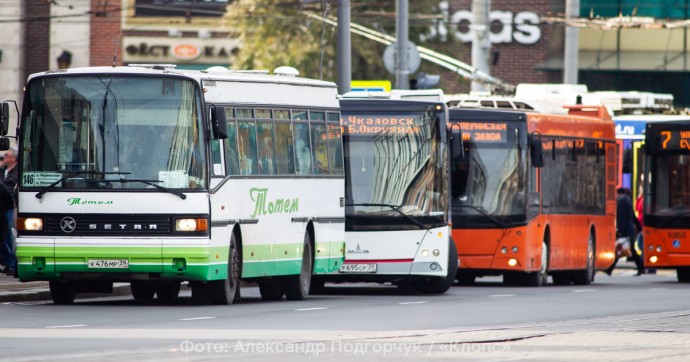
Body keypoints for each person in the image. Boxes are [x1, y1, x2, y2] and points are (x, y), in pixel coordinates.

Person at [606, 187, 645, 276]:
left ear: (619, 193)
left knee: (621, 249)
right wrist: (639, 228)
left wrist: (620, 231)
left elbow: (621, 218)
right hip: (629, 230)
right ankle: (610, 268)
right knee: (624, 250)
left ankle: (641, 267)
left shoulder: (621, 201)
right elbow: (633, 217)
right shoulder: (627, 201)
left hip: (625, 231)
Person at [0, 147, 17, 277]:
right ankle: (7, 261)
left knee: (9, 236)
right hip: (2, 206)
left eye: (6, 155)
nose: (4, 157)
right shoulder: (2, 171)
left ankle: (12, 263)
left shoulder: (17, 172)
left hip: (9, 207)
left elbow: (9, 192)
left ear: (13, 158)